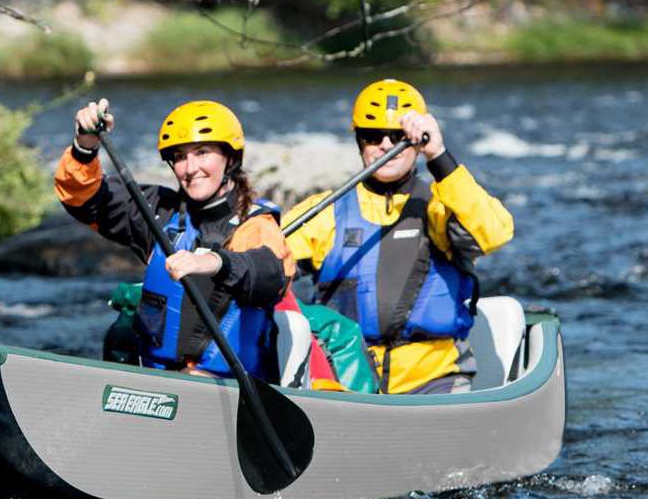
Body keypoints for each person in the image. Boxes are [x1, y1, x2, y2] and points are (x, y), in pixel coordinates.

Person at [281, 79, 514, 394]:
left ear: (416, 142)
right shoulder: (325, 211)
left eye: (399, 137)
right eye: (373, 136)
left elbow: (495, 233)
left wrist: (439, 156)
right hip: (345, 381)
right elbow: (263, 259)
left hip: (434, 381)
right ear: (359, 142)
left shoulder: (440, 204)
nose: (386, 146)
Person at [54, 97, 295, 380]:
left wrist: (215, 263)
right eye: (180, 156)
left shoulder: (254, 224)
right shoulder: (160, 212)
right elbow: (85, 200)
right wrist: (85, 146)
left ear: (230, 158)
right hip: (157, 379)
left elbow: (272, 275)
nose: (190, 168)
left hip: (227, 387)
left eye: (202, 152)